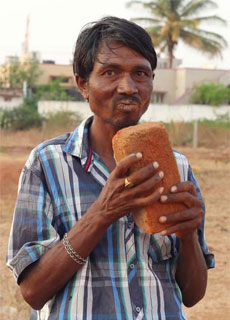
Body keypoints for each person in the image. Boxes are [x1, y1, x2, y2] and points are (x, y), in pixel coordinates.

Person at [7, 16, 214, 320]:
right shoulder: (47, 164)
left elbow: (193, 295)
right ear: (83, 84)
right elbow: (33, 292)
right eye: (110, 72)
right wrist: (102, 213)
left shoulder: (177, 166)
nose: (128, 87)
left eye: (140, 73)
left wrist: (187, 236)